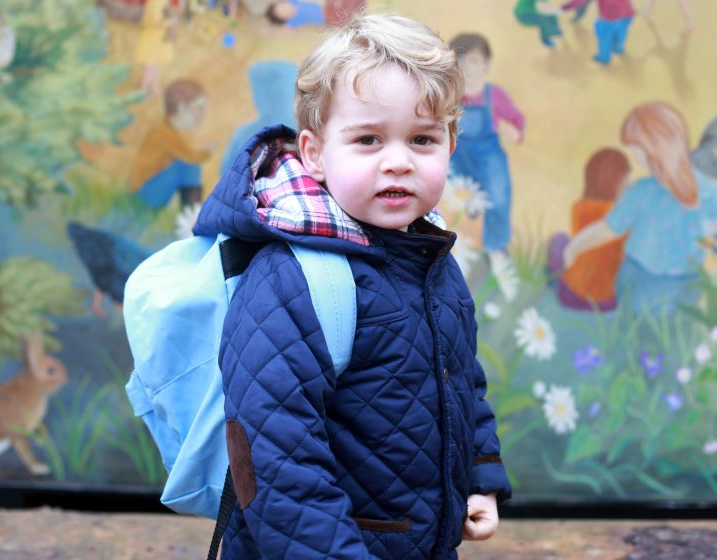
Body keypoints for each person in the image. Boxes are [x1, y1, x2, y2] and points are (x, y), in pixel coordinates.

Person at [192, 13, 511, 560]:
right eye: (367, 139)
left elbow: (459, 379)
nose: (397, 162)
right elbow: (277, 460)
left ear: (450, 144)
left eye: (421, 139)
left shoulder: (431, 257)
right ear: (315, 153)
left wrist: (479, 475)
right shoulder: (293, 277)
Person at [562, 102, 717, 314]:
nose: (636, 158)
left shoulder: (642, 192)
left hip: (641, 281)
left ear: (654, 149)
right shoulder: (700, 188)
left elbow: (608, 229)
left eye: (637, 151)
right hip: (686, 286)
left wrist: (574, 246)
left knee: (638, 324)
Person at [448, 33, 525, 257]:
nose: (468, 68)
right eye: (461, 61)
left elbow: (515, 120)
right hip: (457, 155)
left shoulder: (494, 95)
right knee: (454, 198)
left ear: (486, 64)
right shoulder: (451, 95)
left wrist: (513, 130)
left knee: (499, 197)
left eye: (474, 61)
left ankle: (496, 247)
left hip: (489, 156)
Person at [549, 148, 631, 312]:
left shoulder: (579, 208)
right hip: (607, 304)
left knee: (559, 240)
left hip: (570, 295)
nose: (630, 186)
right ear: (616, 184)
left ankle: (553, 279)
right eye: (626, 182)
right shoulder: (621, 220)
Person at [129, 79, 213, 209]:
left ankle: (192, 214)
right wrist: (208, 151)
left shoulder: (167, 130)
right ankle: (192, 215)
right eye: (198, 108)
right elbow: (191, 157)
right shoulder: (164, 133)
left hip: (147, 191)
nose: (201, 115)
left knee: (187, 165)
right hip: (143, 196)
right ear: (181, 107)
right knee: (189, 165)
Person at [562, 0, 635, 65]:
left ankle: (604, 58)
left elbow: (579, 1)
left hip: (610, 16)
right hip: (628, 13)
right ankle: (618, 49)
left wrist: (564, 7)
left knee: (604, 36)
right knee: (621, 31)